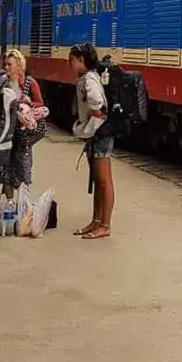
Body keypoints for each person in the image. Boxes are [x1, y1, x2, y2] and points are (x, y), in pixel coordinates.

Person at [69, 43, 113, 240]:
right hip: (98, 134)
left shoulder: (90, 81)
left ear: (81, 60)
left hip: (100, 134)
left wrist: (86, 131)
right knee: (98, 179)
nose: (69, 64)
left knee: (104, 180)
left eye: (71, 60)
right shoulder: (88, 78)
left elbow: (99, 110)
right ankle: (96, 221)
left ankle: (105, 225)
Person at [0, 50, 46, 200]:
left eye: (9, 64)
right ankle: (9, 204)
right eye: (5, 64)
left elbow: (40, 103)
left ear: (18, 65)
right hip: (6, 133)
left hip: (22, 135)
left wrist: (29, 103)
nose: (6, 67)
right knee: (5, 173)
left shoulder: (30, 83)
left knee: (23, 171)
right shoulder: (2, 83)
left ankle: (24, 206)